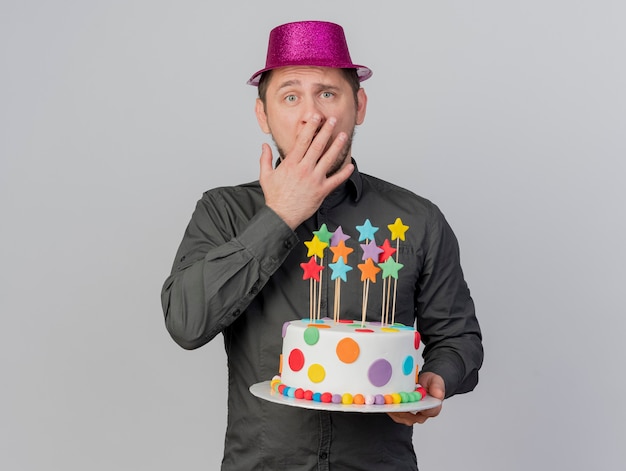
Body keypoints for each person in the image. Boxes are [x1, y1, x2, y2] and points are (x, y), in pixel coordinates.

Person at [161, 20, 483, 470]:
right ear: (263, 115)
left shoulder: (419, 220)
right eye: (290, 96)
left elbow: (459, 340)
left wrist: (436, 380)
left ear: (360, 105)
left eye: (328, 94)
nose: (311, 115)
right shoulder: (224, 211)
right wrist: (279, 216)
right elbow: (185, 323)